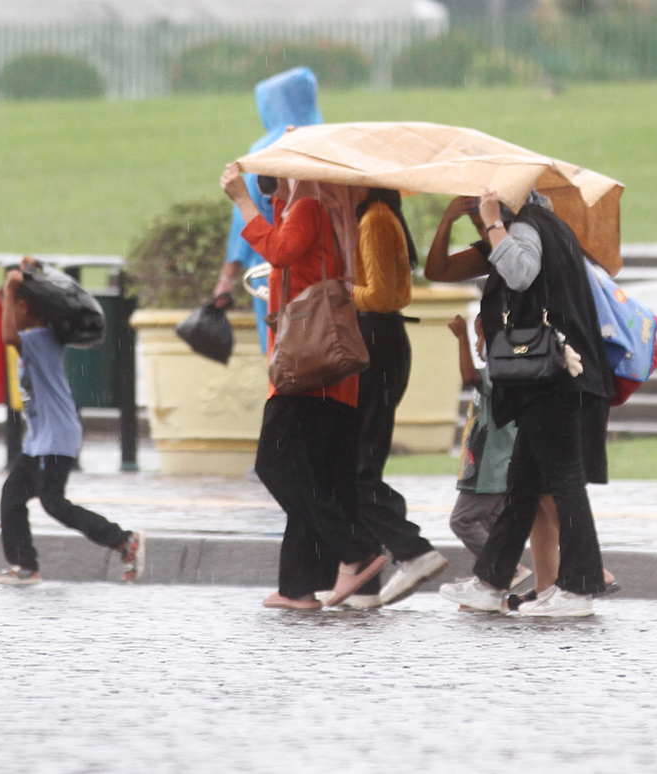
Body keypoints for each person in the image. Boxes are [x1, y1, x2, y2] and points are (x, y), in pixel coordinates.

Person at [430, 190, 614, 617]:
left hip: (553, 376)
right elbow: (439, 269)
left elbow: (519, 274)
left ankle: (579, 586)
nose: (481, 224)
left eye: (485, 211)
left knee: (565, 481)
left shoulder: (527, 226)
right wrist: (459, 221)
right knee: (524, 484)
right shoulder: (541, 229)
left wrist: (494, 221)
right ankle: (491, 580)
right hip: (547, 378)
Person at [221, 163, 386, 610]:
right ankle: (297, 586)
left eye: (275, 171)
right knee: (309, 477)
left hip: (305, 369)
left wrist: (241, 199)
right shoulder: (319, 208)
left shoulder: (309, 206)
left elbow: (280, 252)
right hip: (327, 370)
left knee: (276, 465)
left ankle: (356, 549)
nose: (266, 179)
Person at [0, 257, 144, 586]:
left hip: (55, 439)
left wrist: (13, 286)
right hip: (40, 441)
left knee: (53, 503)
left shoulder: (41, 339)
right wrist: (29, 273)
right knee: (12, 497)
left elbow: (6, 337)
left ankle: (123, 540)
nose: (7, 314)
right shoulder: (40, 336)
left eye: (10, 307)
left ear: (27, 308)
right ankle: (25, 566)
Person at [345, 187, 449, 607]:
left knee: (354, 468)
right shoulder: (377, 216)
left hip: (376, 338)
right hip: (380, 340)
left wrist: (339, 289)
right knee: (360, 460)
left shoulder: (375, 219)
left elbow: (382, 296)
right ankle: (372, 579)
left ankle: (412, 550)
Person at [213, 67, 323, 352]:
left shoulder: (266, 151)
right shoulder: (324, 144)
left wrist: (226, 279)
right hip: (323, 276)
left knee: (282, 356)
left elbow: (244, 221)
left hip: (272, 270)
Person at [447, 313, 531, 589]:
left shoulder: (497, 376)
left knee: (463, 520)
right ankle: (494, 580)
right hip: (491, 466)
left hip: (489, 469)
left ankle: (504, 569)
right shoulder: (508, 374)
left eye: (479, 337)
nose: (475, 344)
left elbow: (469, 376)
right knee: (493, 523)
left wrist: (460, 336)